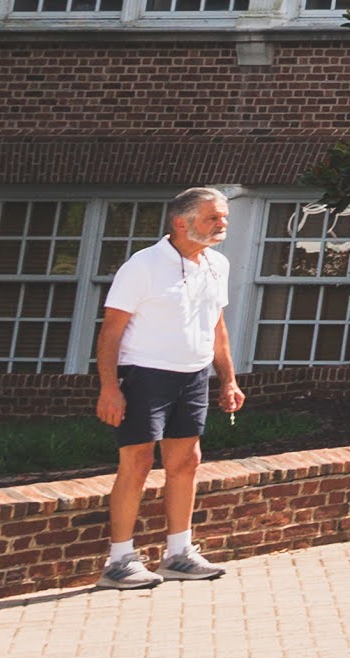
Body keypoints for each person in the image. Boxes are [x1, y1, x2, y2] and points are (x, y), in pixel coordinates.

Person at [93, 186, 245, 589]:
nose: (221, 225)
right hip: (145, 374)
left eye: (223, 218)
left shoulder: (218, 265)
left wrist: (227, 379)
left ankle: (178, 553)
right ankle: (119, 561)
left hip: (193, 375)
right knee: (138, 463)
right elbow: (111, 330)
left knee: (187, 462)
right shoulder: (142, 266)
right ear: (182, 222)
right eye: (213, 218)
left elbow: (217, 326)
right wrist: (110, 387)